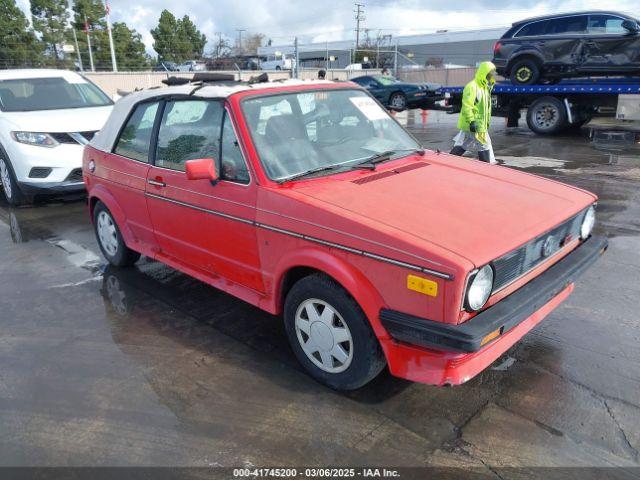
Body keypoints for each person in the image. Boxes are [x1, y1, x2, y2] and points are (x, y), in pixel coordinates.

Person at [450, 61, 497, 163]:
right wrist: (472, 121)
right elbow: (467, 105)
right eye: (491, 73)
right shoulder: (472, 86)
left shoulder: (485, 88)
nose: (492, 75)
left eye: (493, 73)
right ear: (484, 72)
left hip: (479, 124)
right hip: (474, 124)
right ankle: (486, 169)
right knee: (483, 146)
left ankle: (448, 161)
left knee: (465, 144)